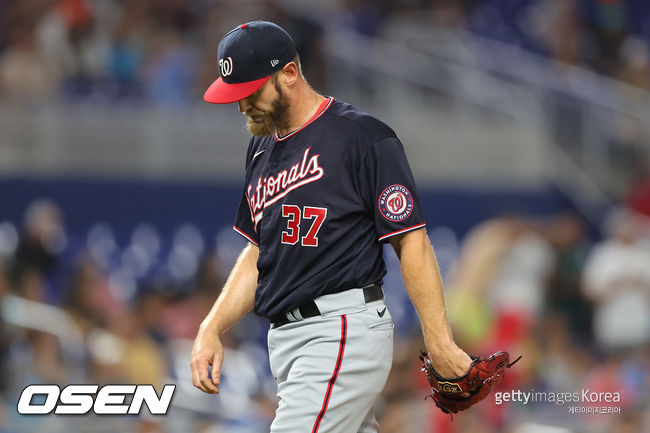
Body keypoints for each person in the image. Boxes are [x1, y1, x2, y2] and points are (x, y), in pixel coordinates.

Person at [190, 20, 471, 433]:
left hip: (339, 331)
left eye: (251, 92)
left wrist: (440, 341)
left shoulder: (362, 137)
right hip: (288, 343)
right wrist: (210, 326)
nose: (242, 105)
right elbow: (258, 252)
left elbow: (412, 242)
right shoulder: (261, 147)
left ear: (289, 72)